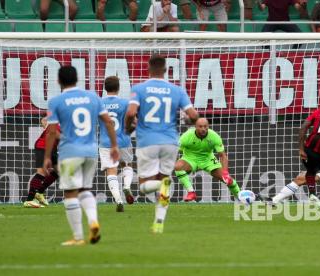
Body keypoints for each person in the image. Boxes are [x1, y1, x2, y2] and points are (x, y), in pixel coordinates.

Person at [44, 66, 119, 246]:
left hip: (70, 152)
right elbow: (108, 122)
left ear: (59, 81)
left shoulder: (56, 101)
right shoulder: (93, 97)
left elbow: (52, 132)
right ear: (77, 79)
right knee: (85, 189)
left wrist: (47, 156)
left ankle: (78, 237)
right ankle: (93, 221)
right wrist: (114, 145)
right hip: (91, 151)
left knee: (71, 192)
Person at [125, 56, 199, 234]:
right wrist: (188, 120)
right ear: (166, 70)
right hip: (170, 142)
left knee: (144, 186)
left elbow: (130, 112)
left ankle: (160, 187)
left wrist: (129, 127)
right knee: (164, 179)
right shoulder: (177, 90)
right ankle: (159, 222)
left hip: (147, 141)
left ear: (148, 69)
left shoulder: (139, 89)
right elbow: (194, 116)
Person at [175, 118, 241, 202]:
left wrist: (225, 173)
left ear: (208, 126)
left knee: (228, 180)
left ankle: (240, 197)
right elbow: (175, 150)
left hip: (208, 160)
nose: (203, 129)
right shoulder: (186, 136)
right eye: (200, 126)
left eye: (205, 126)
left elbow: (222, 155)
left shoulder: (214, 136)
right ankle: (191, 192)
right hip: (190, 159)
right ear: (195, 127)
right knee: (178, 167)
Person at [99, 76, 135, 213]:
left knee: (111, 170)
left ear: (104, 88)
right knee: (127, 165)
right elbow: (132, 120)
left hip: (106, 142)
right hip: (124, 140)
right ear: (119, 88)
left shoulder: (99, 103)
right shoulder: (125, 103)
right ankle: (126, 185)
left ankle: (119, 200)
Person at [23, 117, 60, 208]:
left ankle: (39, 192)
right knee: (42, 172)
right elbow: (55, 133)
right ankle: (29, 200)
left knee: (59, 170)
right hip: (43, 146)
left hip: (52, 148)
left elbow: (44, 121)